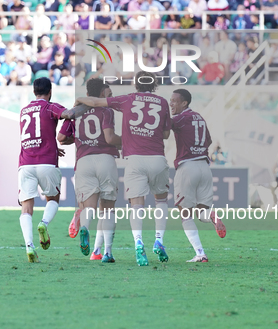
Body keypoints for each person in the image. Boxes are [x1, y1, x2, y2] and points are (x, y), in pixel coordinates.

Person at [76, 71, 172, 267]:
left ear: (136, 85)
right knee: (161, 200)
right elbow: (166, 133)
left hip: (134, 159)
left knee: (136, 204)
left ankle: (138, 243)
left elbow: (96, 103)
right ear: (154, 85)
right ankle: (159, 241)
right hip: (157, 157)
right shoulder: (162, 102)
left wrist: (78, 98)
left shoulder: (127, 99)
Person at [18, 77, 89, 263]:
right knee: (53, 199)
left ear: (34, 92)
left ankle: (29, 246)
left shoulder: (24, 110)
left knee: (26, 208)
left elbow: (35, 133)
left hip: (25, 163)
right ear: (50, 92)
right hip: (47, 162)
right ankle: (44, 223)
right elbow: (68, 114)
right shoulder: (50, 107)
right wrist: (88, 105)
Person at [58, 79, 121, 263]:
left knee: (89, 207)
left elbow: (61, 137)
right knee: (108, 209)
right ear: (101, 94)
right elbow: (109, 138)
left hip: (84, 160)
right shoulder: (107, 111)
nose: (110, 97)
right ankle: (107, 252)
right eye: (108, 94)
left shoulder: (76, 112)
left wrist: (79, 140)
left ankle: (85, 228)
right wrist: (128, 140)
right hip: (105, 159)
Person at [170, 89, 226, 263]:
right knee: (202, 212)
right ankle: (212, 216)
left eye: (174, 101)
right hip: (204, 166)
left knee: (185, 215)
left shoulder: (179, 119)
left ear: (184, 103)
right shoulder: (199, 117)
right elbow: (208, 141)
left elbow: (162, 128)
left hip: (187, 167)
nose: (171, 104)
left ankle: (200, 253)